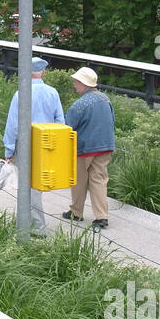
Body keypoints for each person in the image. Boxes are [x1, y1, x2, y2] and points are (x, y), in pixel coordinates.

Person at [3, 57, 66, 235]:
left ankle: (36, 227)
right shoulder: (53, 93)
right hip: (46, 146)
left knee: (27, 186)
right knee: (36, 186)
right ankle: (29, 222)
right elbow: (60, 121)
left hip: (25, 146)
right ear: (43, 72)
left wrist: (9, 150)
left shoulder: (20, 93)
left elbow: (13, 125)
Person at [63, 66, 115, 229]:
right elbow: (112, 120)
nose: (74, 85)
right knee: (98, 180)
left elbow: (67, 126)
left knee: (79, 180)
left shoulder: (80, 104)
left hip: (85, 148)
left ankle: (76, 212)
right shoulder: (105, 99)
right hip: (106, 146)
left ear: (83, 84)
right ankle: (101, 217)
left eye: (76, 82)